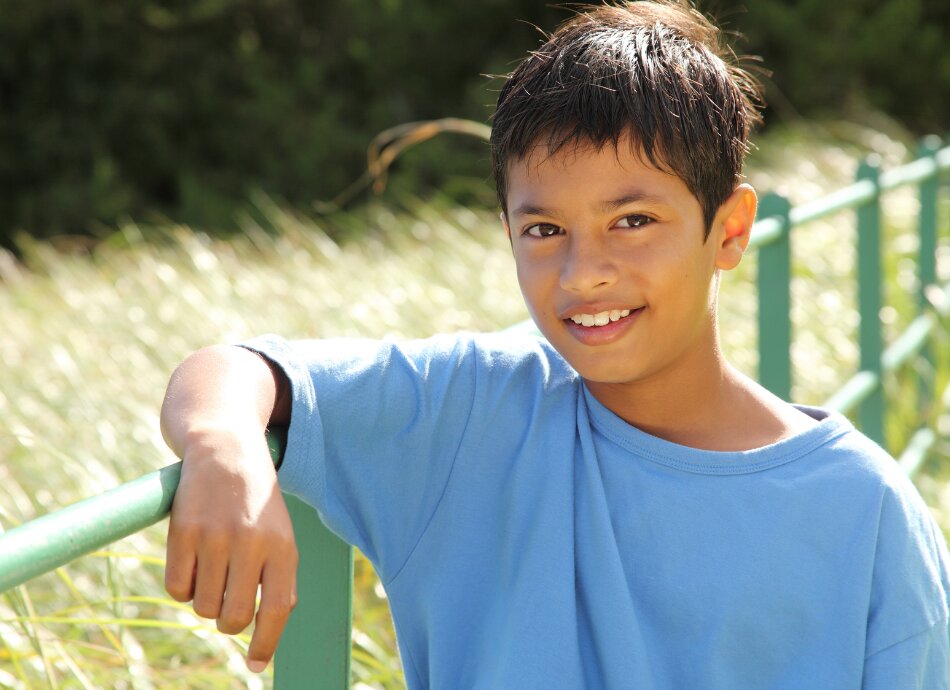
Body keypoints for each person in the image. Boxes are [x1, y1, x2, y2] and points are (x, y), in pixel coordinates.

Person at [160, 1, 950, 687]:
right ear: (507, 231)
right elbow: (233, 370)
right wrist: (226, 445)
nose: (584, 274)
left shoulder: (866, 514)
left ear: (730, 229)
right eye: (544, 230)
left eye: (633, 222)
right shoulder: (470, 416)